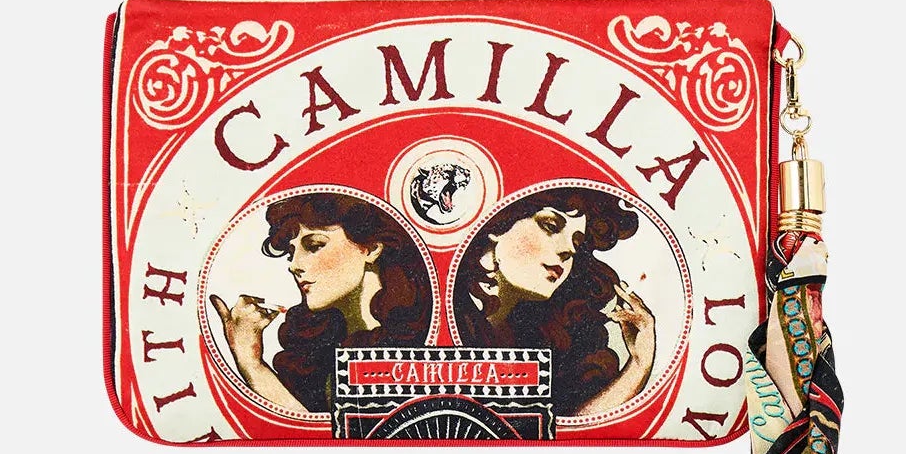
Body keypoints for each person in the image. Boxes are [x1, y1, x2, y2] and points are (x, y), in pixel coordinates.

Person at [210, 192, 431, 412]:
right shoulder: (316, 351)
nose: (294, 266)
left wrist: (251, 364)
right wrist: (250, 358)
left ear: (371, 249)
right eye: (291, 253)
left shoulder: (416, 345)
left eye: (314, 246)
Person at [452, 187, 655, 416]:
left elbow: (557, 428)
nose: (568, 250)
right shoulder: (444, 308)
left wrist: (639, 363)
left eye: (576, 243)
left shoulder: (541, 338)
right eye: (550, 226)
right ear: (499, 222)